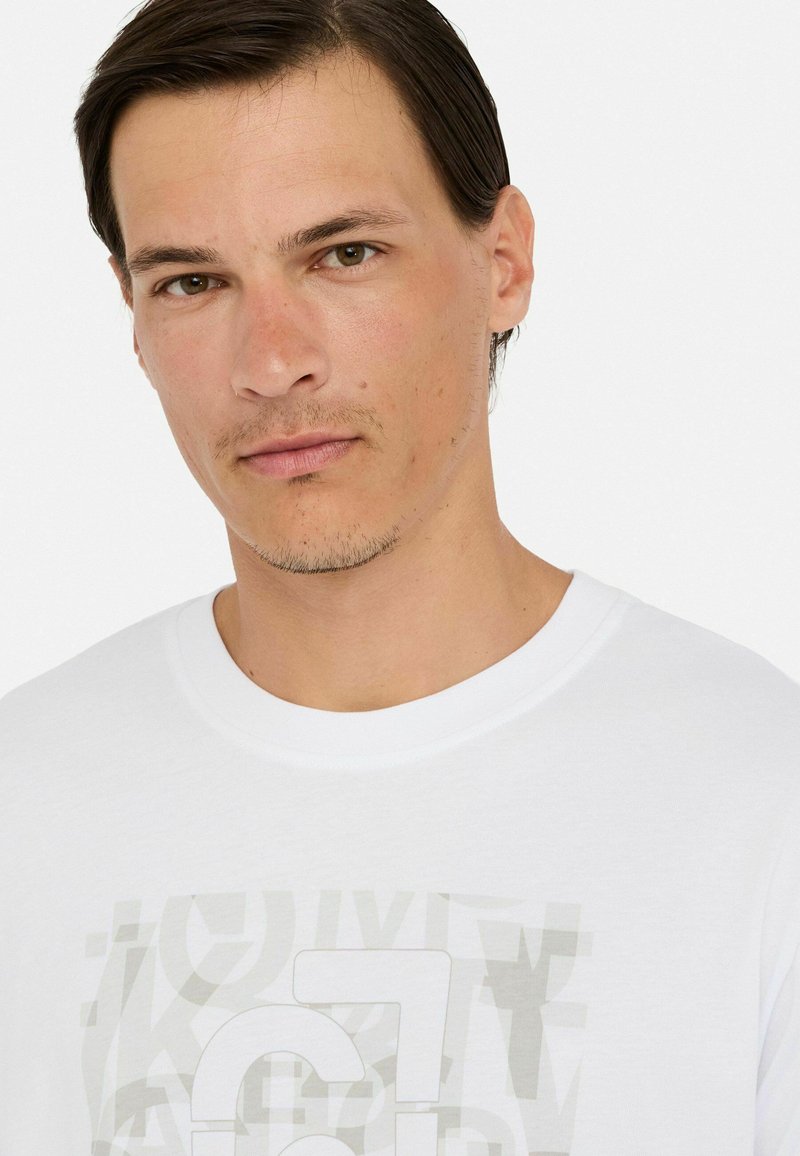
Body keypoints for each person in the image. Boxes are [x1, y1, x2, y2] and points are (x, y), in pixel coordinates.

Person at [1, 0, 798, 1151]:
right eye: (192, 282)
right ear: (131, 316)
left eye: (343, 255)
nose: (272, 361)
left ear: (502, 263)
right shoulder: (24, 802)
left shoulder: (759, 794)